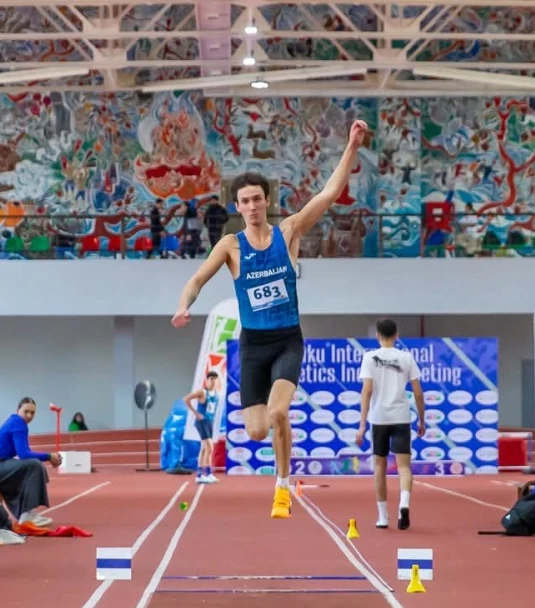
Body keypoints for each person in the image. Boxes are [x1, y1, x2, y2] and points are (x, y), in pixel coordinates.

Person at [172, 118, 369, 519]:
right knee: (258, 430)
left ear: (267, 201)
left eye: (257, 199)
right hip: (253, 346)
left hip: (287, 340)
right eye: (244, 201)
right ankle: (278, 463)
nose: (252, 206)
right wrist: (184, 304)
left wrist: (351, 146)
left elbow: (329, 194)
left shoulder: (289, 231)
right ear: (238, 206)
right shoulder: (231, 246)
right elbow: (196, 280)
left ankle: (282, 486)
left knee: (279, 413)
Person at [356, 318, 424, 530]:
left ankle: (383, 517)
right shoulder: (406, 357)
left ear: (377, 335)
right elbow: (418, 393)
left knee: (379, 466)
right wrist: (421, 419)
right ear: (396, 335)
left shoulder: (369, 357)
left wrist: (362, 424)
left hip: (379, 418)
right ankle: (403, 504)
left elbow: (366, 391)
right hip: (401, 417)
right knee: (404, 467)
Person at [0, 397, 61, 526]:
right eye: (26, 411)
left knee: (29, 467)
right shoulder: (18, 423)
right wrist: (49, 456)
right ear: (18, 410)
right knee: (34, 465)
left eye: (32, 413)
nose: (29, 415)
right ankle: (26, 514)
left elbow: (24, 453)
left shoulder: (15, 421)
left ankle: (26, 512)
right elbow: (24, 454)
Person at [184, 371, 222, 485]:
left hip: (209, 422)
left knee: (205, 448)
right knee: (209, 447)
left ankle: (204, 474)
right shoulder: (202, 392)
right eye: (211, 379)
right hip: (201, 422)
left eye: (215, 379)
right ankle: (203, 474)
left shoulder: (216, 394)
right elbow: (186, 399)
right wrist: (196, 413)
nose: (213, 381)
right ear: (207, 380)